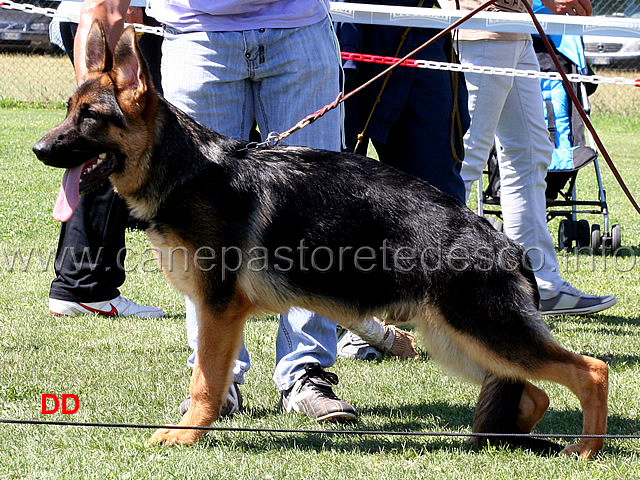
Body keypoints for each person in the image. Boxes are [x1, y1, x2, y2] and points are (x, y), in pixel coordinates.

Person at [72, 0, 357, 422]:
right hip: (197, 36)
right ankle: (216, 388)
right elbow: (103, 8)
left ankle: (306, 373)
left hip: (298, 28)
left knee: (314, 213)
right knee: (197, 233)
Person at [441, 0, 617, 315]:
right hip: (480, 29)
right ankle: (427, 282)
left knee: (532, 153)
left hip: (517, 32)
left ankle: (538, 285)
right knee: (466, 157)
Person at [335, 0, 470, 358]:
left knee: (439, 192)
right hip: (346, 24)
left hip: (421, 24)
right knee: (336, 190)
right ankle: (352, 324)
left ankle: (463, 318)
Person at [47, 2, 164, 319]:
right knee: (114, 138)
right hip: (121, 17)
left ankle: (81, 284)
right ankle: (85, 287)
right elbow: (101, 7)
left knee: (109, 139)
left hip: (106, 17)